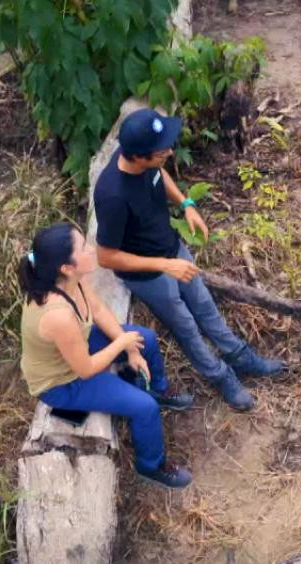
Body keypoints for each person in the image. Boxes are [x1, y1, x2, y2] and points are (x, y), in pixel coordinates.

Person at [93, 108, 284, 412]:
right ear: (140, 156)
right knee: (186, 327)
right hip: (150, 276)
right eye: (161, 150)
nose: (169, 152)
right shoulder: (113, 196)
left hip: (173, 249)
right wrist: (165, 266)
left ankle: (240, 356)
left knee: (206, 307)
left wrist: (187, 204)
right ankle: (221, 377)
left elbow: (159, 173)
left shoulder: (143, 159)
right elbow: (106, 256)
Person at [19, 223, 194, 489]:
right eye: (83, 248)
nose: (91, 249)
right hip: (63, 382)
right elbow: (86, 370)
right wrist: (121, 343)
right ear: (66, 267)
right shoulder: (57, 315)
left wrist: (131, 348)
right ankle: (151, 466)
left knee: (144, 339)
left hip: (79, 346)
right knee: (144, 407)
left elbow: (98, 310)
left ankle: (158, 389)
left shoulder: (72, 281)